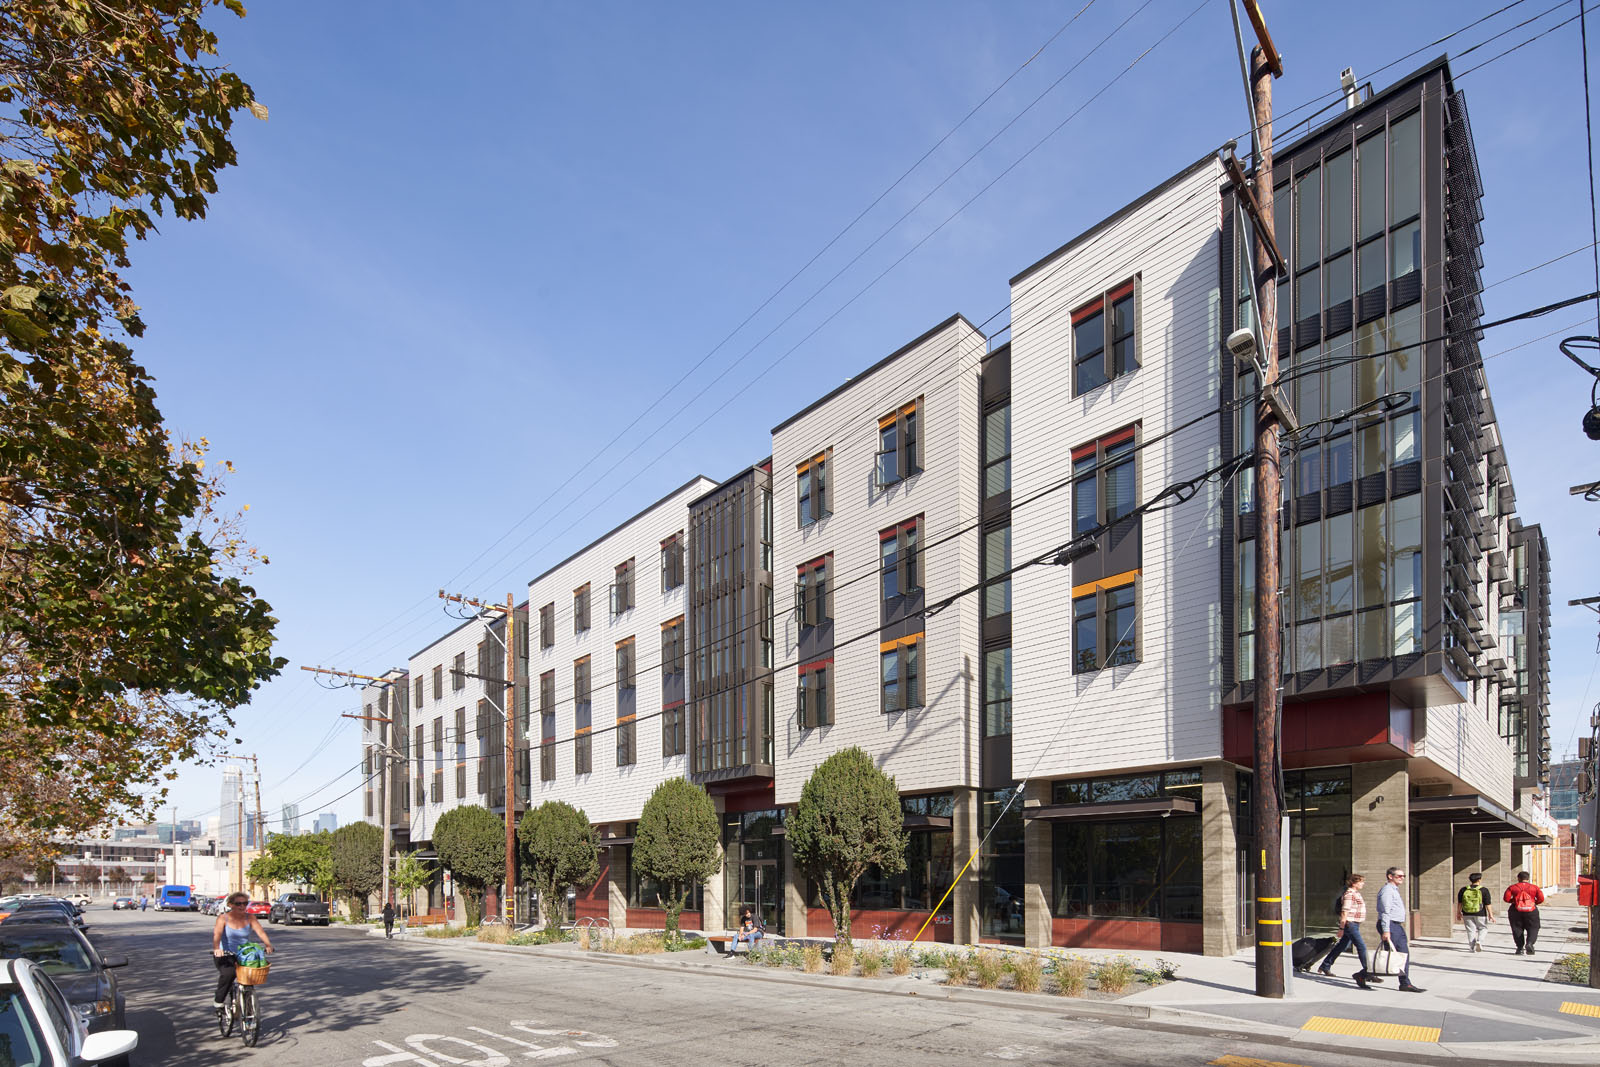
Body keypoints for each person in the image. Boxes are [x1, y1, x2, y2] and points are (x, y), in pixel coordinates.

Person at [211, 891, 273, 1011]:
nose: (242, 906)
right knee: (229, 974)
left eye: (245, 903)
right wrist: (217, 949)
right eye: (238, 904)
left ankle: (249, 1012)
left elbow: (260, 932)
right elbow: (217, 935)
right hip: (225, 955)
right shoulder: (223, 918)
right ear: (231, 904)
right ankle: (219, 1000)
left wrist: (268, 945)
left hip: (243, 955)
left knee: (250, 976)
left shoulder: (250, 917)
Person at [1319, 873, 1380, 989]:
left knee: (1342, 946)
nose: (1363, 883)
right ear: (1354, 883)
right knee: (1361, 947)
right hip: (1350, 924)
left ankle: (1325, 965)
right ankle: (1369, 973)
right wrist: (1341, 928)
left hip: (1354, 924)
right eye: (1361, 881)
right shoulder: (1349, 894)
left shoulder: (1355, 893)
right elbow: (1344, 912)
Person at [1375, 866, 1424, 993]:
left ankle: (1405, 983)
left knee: (1402, 955)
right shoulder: (1387, 891)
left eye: (1403, 876)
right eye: (1399, 876)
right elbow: (1385, 911)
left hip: (1396, 925)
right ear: (1390, 876)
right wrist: (1386, 930)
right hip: (1390, 925)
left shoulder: (1394, 890)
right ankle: (1364, 974)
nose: (1402, 878)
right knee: (1396, 955)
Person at [1503, 870, 1545, 956]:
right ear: (1528, 878)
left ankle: (1519, 948)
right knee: (1533, 927)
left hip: (1515, 910)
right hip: (1531, 910)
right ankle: (1530, 943)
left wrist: (1515, 901)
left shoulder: (1512, 887)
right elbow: (1541, 899)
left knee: (1517, 929)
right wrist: (1533, 902)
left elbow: (1506, 898)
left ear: (1518, 878)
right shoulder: (1534, 887)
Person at [1454, 871, 1494, 952]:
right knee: (1483, 928)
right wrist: (1491, 914)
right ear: (1479, 880)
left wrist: (1458, 912)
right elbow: (1487, 903)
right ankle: (1479, 941)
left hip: (1466, 912)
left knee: (1470, 930)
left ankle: (1472, 947)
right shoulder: (1484, 890)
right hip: (1481, 913)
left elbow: (1460, 902)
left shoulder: (1464, 889)